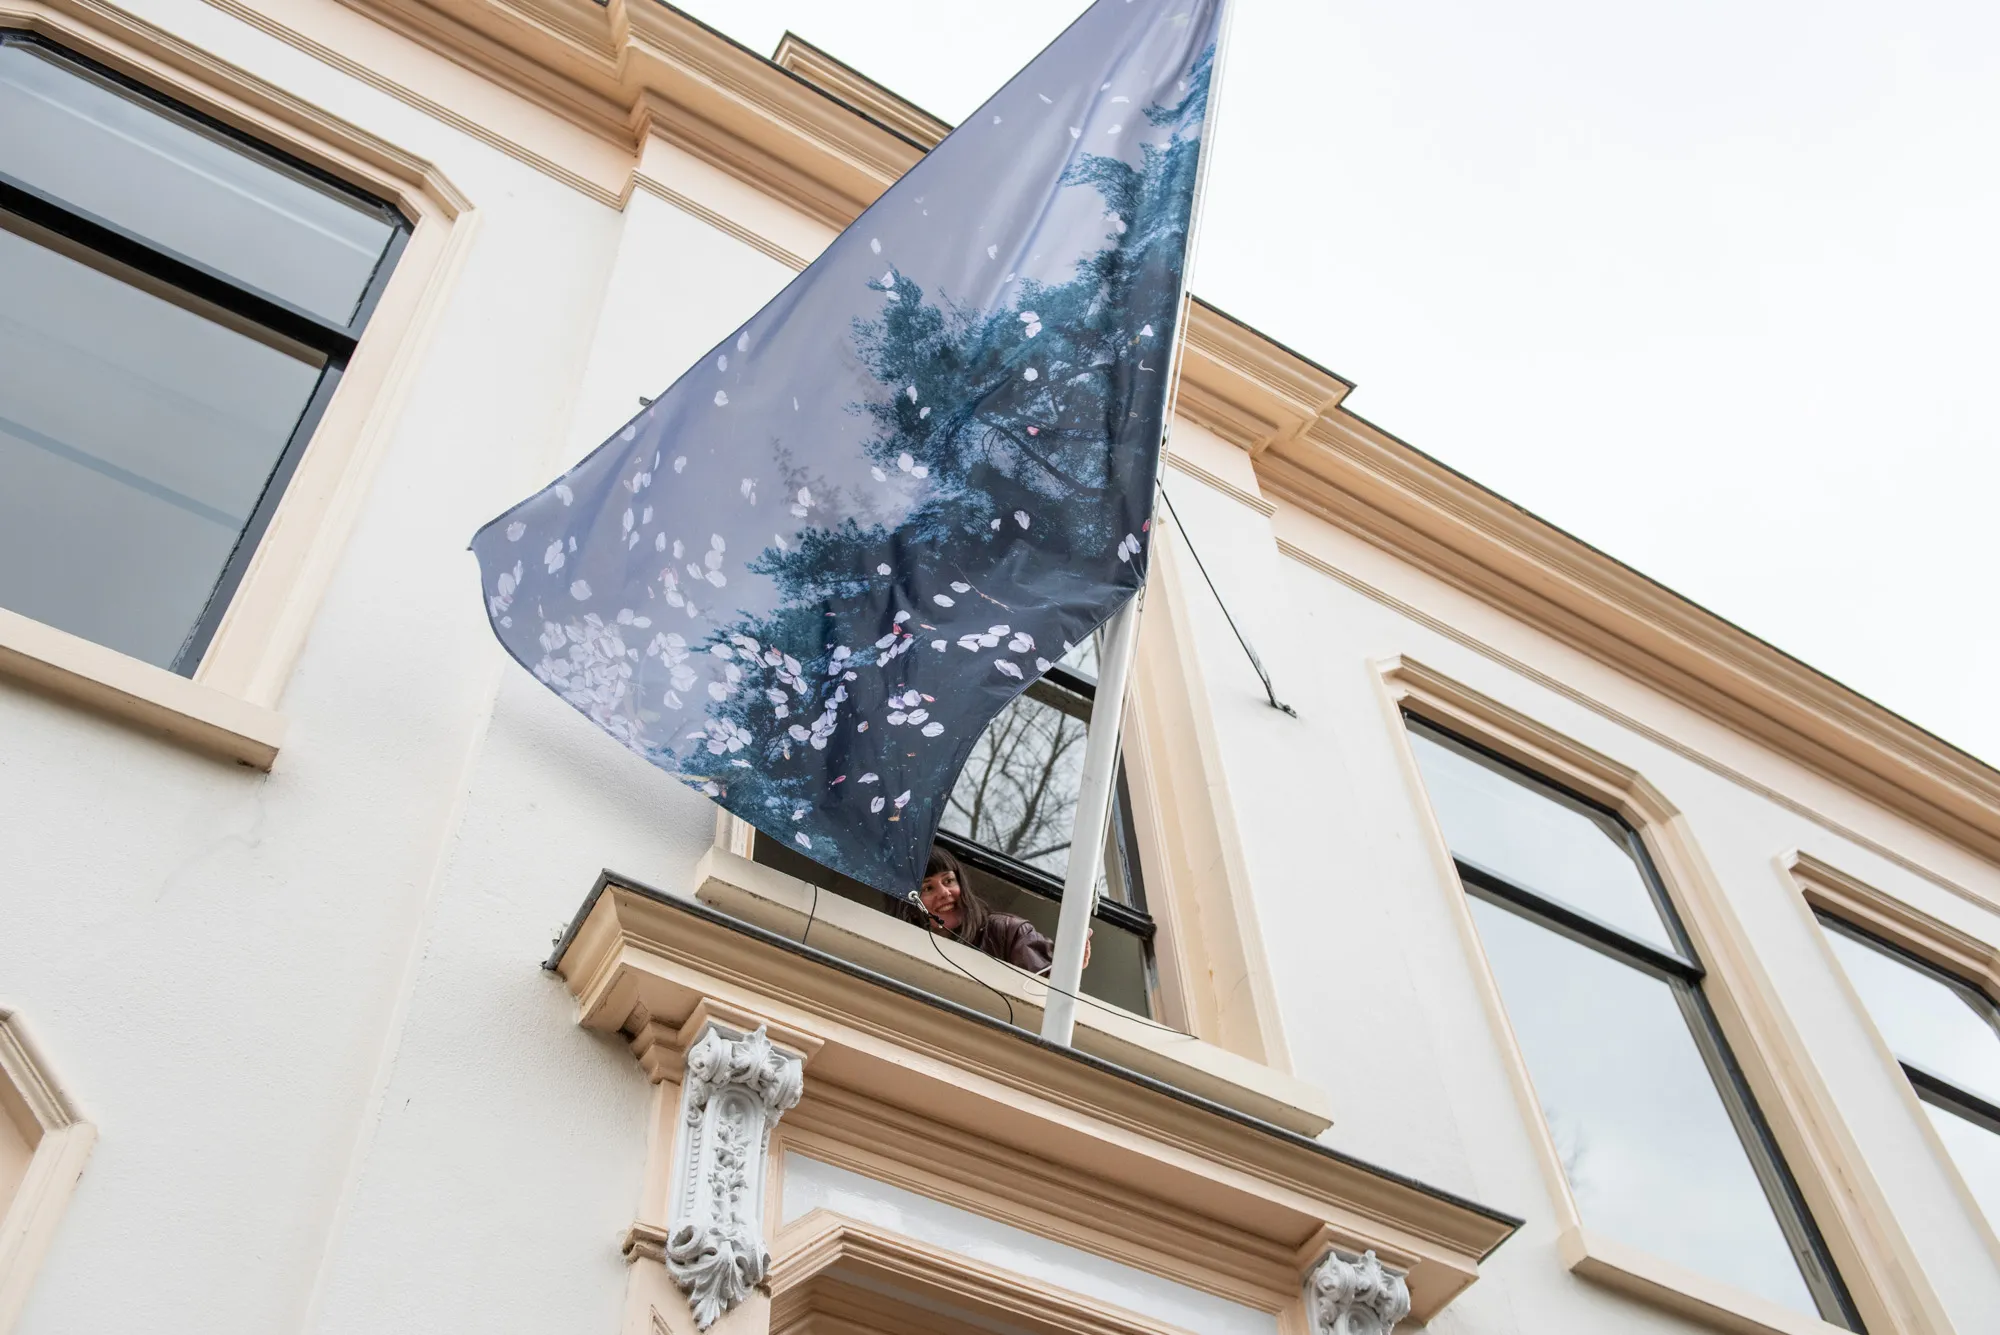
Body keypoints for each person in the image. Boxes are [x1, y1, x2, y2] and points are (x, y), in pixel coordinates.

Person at [905, 846, 1088, 973]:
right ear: (912, 906)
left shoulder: (1007, 931)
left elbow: (1046, 987)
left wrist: (1068, 964)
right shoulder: (905, 946)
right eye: (928, 888)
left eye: (948, 881)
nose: (944, 893)